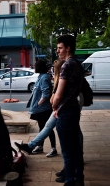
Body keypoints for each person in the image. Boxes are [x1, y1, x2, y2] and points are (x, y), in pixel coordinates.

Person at [50, 35, 85, 184]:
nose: (57, 51)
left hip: (64, 113)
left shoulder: (66, 65)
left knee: (67, 152)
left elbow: (59, 94)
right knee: (76, 149)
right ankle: (78, 179)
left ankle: (70, 182)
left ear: (68, 48)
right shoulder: (77, 64)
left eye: (60, 48)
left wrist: (54, 106)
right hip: (74, 110)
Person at [16, 59, 58, 157]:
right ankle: (40, 146)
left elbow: (46, 93)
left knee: (48, 128)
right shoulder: (41, 76)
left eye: (36, 65)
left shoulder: (44, 78)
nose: (34, 67)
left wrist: (39, 103)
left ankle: (53, 148)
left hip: (43, 109)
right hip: (40, 109)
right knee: (42, 128)